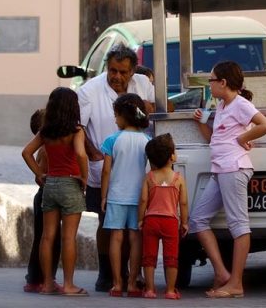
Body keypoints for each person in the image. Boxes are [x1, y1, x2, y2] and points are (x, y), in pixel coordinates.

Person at [190, 61, 266, 298]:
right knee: (198, 219)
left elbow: (265, 125)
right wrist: (201, 122)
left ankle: (236, 283)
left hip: (233, 168)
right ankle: (223, 274)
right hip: (221, 169)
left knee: (238, 224)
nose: (210, 84)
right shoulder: (223, 106)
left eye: (212, 80)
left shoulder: (240, 104)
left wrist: (241, 139)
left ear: (223, 82)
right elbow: (214, 139)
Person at [78, 43, 155, 291]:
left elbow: (155, 112)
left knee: (136, 227)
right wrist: (93, 152)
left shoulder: (143, 84)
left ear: (133, 71)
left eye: (123, 72)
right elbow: (77, 127)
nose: (117, 77)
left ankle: (132, 275)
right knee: (106, 223)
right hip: (104, 170)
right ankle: (107, 274)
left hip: (137, 171)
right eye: (112, 71)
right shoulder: (89, 90)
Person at [22, 87, 88, 296]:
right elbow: (81, 154)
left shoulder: (46, 132)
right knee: (68, 237)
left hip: (50, 185)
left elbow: (26, 152)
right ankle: (69, 284)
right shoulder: (77, 131)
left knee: (47, 236)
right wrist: (84, 178)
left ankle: (48, 283)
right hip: (70, 184)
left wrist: (40, 174)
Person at [100, 93, 150, 297]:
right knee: (136, 238)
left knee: (116, 238)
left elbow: (105, 171)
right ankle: (132, 282)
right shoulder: (147, 140)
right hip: (139, 198)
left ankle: (117, 283)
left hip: (117, 196)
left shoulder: (112, 140)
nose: (114, 119)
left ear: (123, 116)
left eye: (116, 115)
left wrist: (103, 196)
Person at [138, 133, 189, 300]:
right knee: (171, 257)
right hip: (170, 222)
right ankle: (170, 290)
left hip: (151, 221)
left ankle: (150, 290)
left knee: (149, 256)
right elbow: (183, 204)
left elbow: (144, 200)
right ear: (172, 156)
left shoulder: (149, 177)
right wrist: (185, 223)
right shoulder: (178, 179)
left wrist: (140, 219)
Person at [23, 109, 61, 293]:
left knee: (42, 237)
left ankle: (34, 278)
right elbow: (40, 176)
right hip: (46, 194)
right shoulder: (46, 150)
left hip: (42, 195)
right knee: (50, 239)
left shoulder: (43, 149)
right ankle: (44, 278)